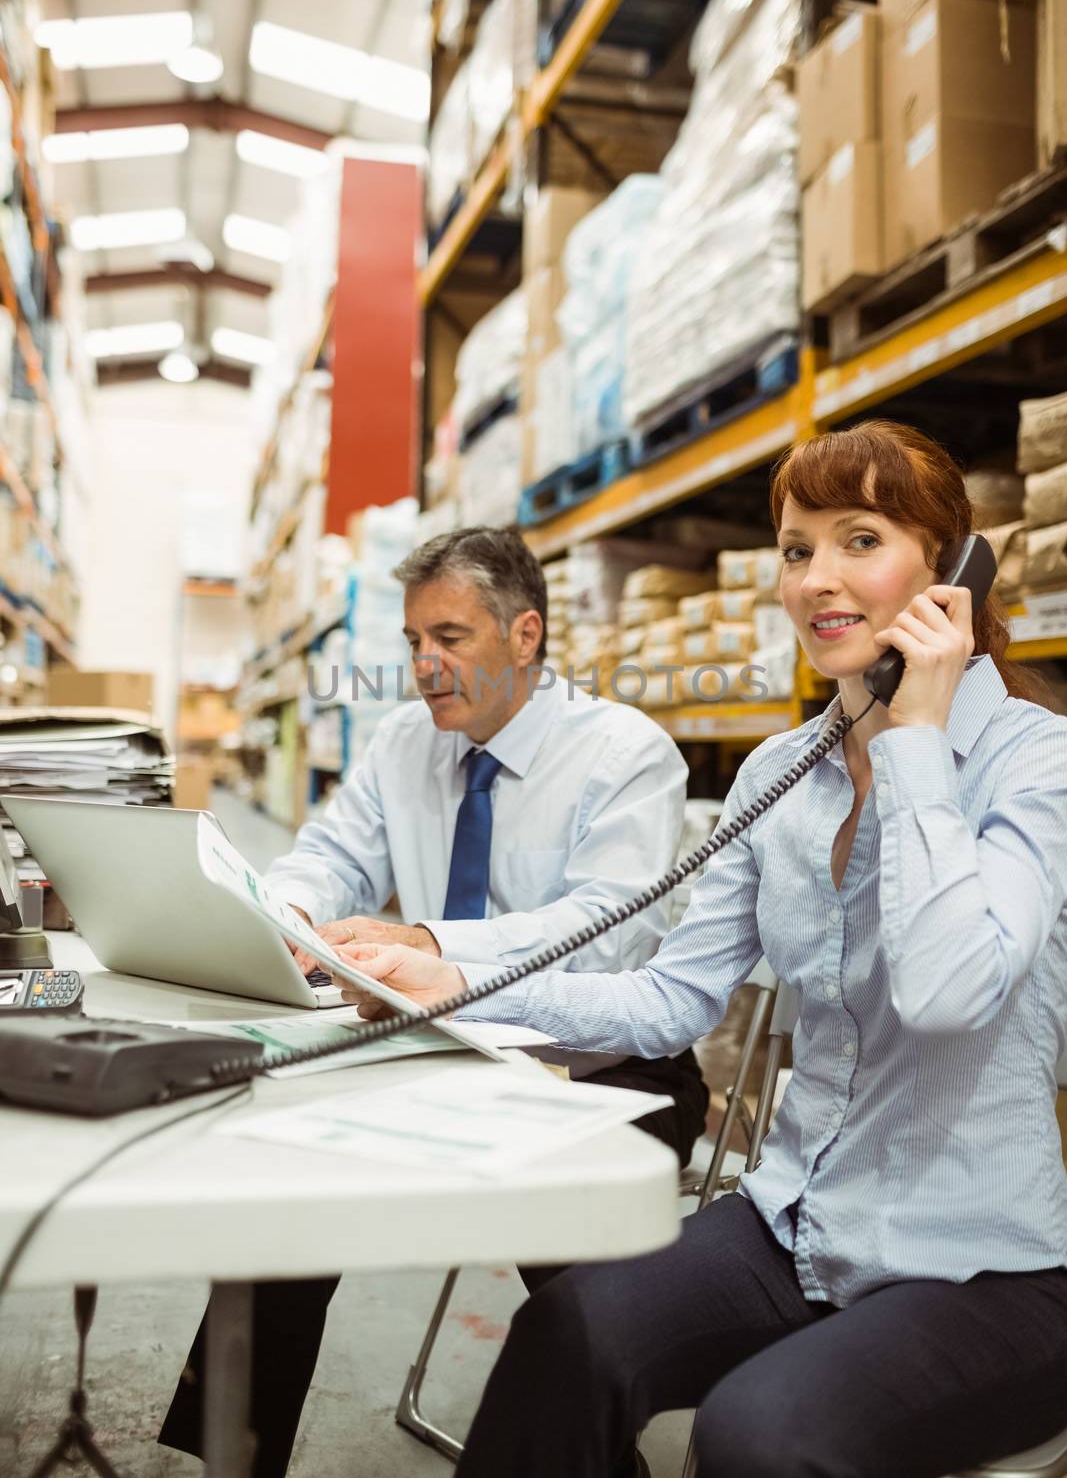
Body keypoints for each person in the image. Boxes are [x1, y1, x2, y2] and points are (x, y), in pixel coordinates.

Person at [338, 422, 1067, 1478]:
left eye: (859, 540)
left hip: (981, 1272)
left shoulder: (1034, 764)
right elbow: (670, 998)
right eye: (794, 548)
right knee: (566, 1332)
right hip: (797, 1230)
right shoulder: (786, 768)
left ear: (948, 569)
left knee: (757, 1433)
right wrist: (458, 979)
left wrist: (913, 735)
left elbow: (947, 987)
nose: (816, 579)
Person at [159, 524, 708, 1477]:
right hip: (440, 1054)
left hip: (604, 1070)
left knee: (577, 1304)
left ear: (525, 635)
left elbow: (609, 931)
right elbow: (332, 856)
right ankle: (232, 1462)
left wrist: (431, 945)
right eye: (414, 640)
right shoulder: (405, 744)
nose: (423, 664)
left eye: (449, 638)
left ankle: (590, 1455)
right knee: (277, 1205)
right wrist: (279, 914)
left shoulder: (626, 755)